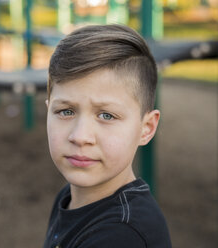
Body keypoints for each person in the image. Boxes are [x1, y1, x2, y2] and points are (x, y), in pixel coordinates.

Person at [43, 24, 172, 248]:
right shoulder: (69, 196)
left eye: (106, 115)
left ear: (147, 128)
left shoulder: (123, 235)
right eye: (66, 111)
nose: (80, 136)